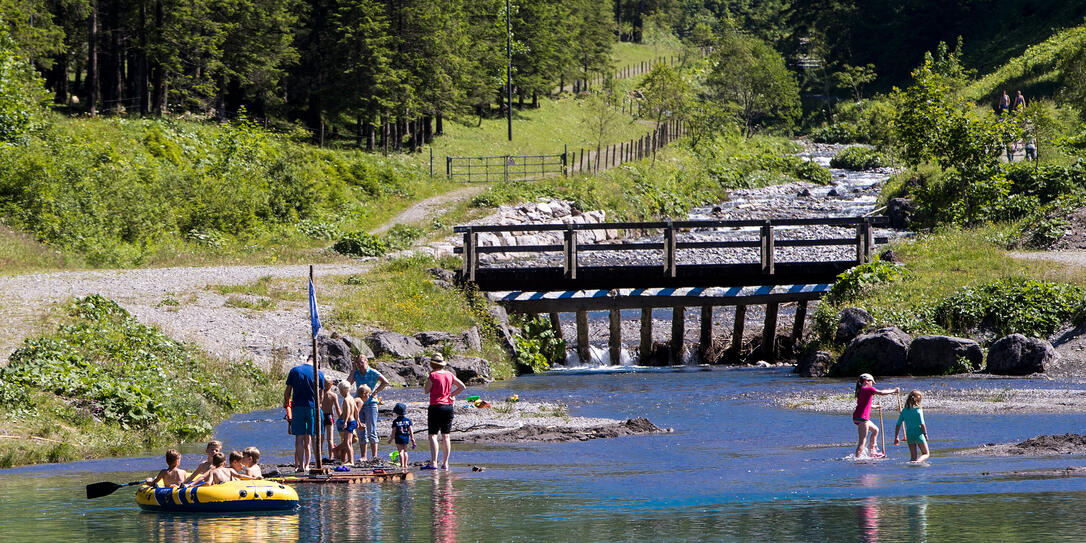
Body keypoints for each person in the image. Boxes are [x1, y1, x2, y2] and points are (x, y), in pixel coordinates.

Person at [423, 353, 466, 470]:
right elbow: (462, 386)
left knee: (433, 435)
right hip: (448, 406)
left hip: (436, 406)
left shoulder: (433, 375)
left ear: (432, 364)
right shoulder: (449, 374)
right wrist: (452, 395)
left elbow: (426, 390)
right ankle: (445, 463)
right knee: (446, 436)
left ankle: (433, 462)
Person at [284, 355, 326, 473]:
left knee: (299, 437)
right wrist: (320, 405)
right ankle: (315, 465)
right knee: (314, 437)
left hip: (297, 407)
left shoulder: (295, 370)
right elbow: (321, 394)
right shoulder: (319, 373)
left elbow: (287, 392)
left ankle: (301, 466)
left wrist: (286, 404)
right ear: (317, 362)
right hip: (312, 407)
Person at [348, 353, 390, 462]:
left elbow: (386, 382)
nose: (360, 365)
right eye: (358, 363)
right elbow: (347, 385)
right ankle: (363, 456)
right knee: (360, 429)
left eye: (362, 363)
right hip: (359, 403)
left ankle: (374, 456)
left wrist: (376, 391)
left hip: (371, 403)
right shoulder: (356, 373)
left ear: (367, 362)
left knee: (372, 430)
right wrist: (352, 371)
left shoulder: (372, 372)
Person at [853, 373, 899, 459]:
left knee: (875, 430)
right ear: (867, 381)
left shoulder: (861, 390)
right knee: (862, 441)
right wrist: (894, 391)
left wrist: (876, 406)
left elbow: (865, 405)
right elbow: (881, 392)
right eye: (872, 382)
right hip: (862, 418)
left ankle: (872, 452)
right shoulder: (868, 389)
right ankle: (857, 458)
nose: (872, 384)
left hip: (859, 417)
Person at [894, 390, 930, 462]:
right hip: (918, 434)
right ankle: (917, 462)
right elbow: (922, 423)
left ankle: (912, 467)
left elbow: (898, 424)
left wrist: (896, 437)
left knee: (913, 457)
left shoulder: (904, 410)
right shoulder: (918, 410)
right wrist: (925, 434)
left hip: (909, 434)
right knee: (926, 453)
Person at [335, 380, 359, 465]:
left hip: (349, 422)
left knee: (347, 442)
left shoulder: (346, 400)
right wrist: (358, 420)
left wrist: (345, 422)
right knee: (348, 442)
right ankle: (350, 459)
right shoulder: (352, 398)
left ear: (342, 391)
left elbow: (348, 411)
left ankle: (351, 461)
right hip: (353, 421)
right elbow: (356, 410)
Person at [388, 402, 416, 470]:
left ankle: (402, 465)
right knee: (405, 451)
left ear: (396, 412)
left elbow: (394, 431)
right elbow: (411, 430)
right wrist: (412, 438)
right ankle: (406, 465)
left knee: (400, 451)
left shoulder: (395, 421)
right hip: (406, 437)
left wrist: (391, 439)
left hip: (399, 437)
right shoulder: (408, 421)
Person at [320, 378, 339, 461]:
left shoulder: (319, 393)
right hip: (329, 416)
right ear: (332, 385)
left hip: (321, 416)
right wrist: (341, 416)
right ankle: (331, 457)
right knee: (330, 439)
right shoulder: (333, 395)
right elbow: (337, 407)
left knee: (320, 438)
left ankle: (319, 457)